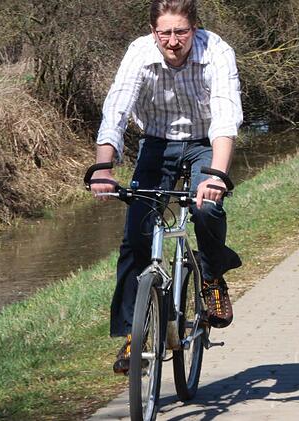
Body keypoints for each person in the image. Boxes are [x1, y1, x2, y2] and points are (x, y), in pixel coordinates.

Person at [89, 0, 243, 374]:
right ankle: (133, 335)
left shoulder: (217, 52)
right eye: (165, 33)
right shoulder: (140, 54)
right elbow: (117, 110)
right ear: (153, 32)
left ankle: (210, 276)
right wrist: (103, 168)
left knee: (206, 208)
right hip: (157, 143)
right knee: (136, 237)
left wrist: (216, 176)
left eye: (181, 32)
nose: (173, 42)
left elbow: (225, 116)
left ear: (194, 28)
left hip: (204, 142)